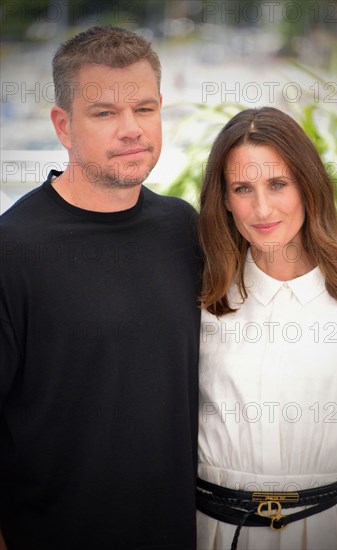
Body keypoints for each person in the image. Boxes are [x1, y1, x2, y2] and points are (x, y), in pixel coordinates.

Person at [0, 26, 201, 550]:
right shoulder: (12, 250)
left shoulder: (185, 229)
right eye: (105, 113)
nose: (132, 129)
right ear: (63, 126)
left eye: (145, 108)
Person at [196, 107, 337, 550]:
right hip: (210, 532)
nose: (262, 208)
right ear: (224, 199)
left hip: (325, 532)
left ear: (307, 184)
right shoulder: (200, 296)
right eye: (242, 188)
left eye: (278, 184)